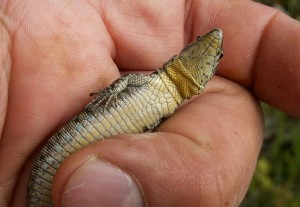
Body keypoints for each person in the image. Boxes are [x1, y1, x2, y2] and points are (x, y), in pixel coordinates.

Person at [0, 1, 299, 206]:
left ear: (208, 76)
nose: (211, 41)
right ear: (187, 48)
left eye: (217, 56)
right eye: (199, 38)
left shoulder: (173, 104)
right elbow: (125, 83)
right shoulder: (157, 79)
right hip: (46, 166)